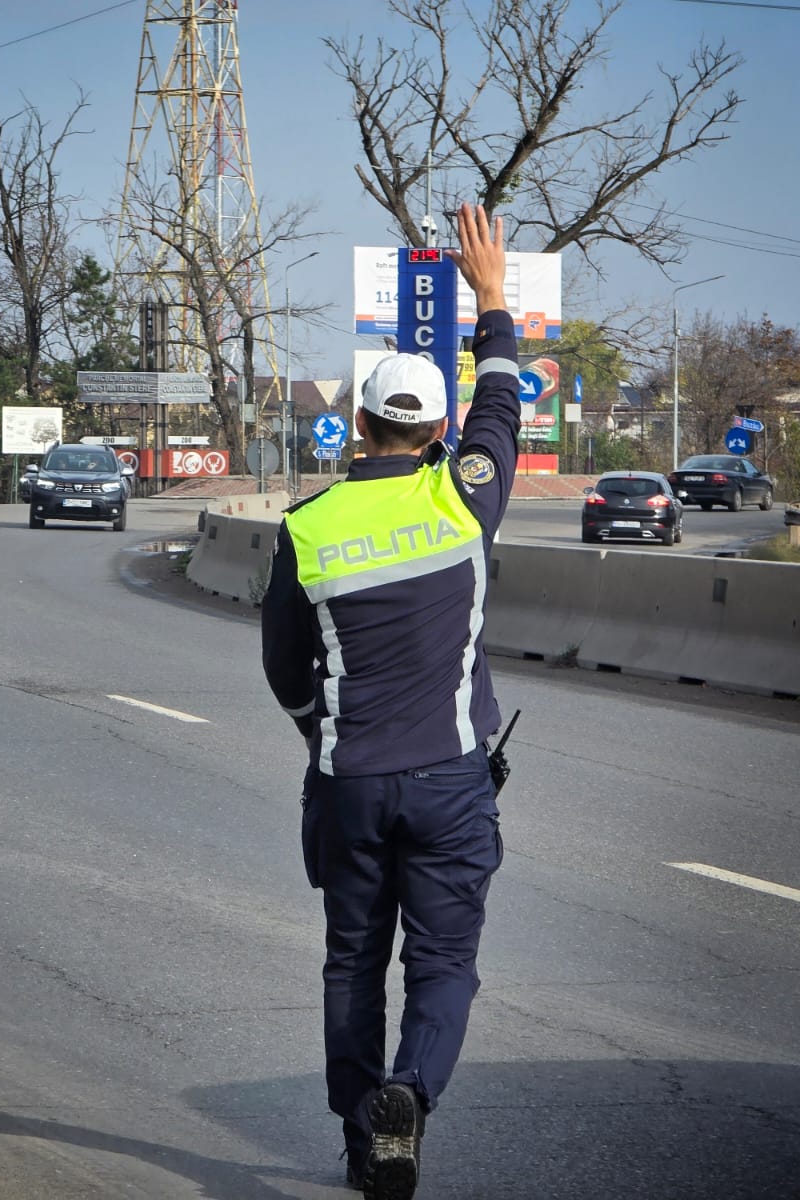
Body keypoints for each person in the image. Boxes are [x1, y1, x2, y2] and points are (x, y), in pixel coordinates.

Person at [260, 204, 519, 1199]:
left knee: (352, 962)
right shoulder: (464, 500)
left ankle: (364, 1133)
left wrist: (318, 735)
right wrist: (488, 295)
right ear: (437, 434)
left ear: (360, 424)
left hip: (350, 785)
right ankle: (411, 1094)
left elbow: (287, 671)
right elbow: (499, 396)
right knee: (444, 961)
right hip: (452, 782)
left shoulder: (309, 528)